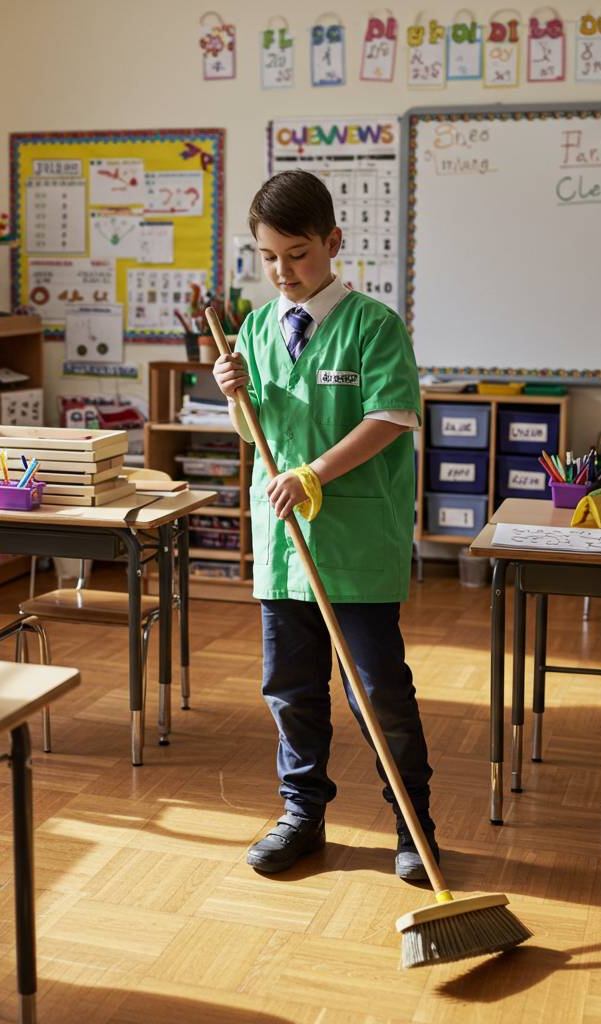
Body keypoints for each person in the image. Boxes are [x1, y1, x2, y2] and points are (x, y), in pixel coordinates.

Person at [211, 169, 437, 881]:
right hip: (283, 548)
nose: (284, 271)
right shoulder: (253, 327)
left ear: (334, 241)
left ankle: (413, 825)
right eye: (269, 257)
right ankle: (301, 815)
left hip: (355, 544)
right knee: (290, 690)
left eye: (299, 254)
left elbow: (391, 418)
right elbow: (255, 436)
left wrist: (314, 475)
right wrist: (233, 396)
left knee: (378, 691)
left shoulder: (374, 325)